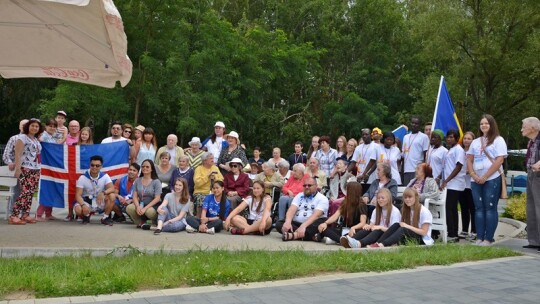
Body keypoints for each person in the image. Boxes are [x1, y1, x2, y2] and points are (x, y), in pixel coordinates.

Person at [466, 114, 507, 246]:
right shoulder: (475, 142)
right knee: (478, 208)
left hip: (492, 179)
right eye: (481, 123)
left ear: (492, 125)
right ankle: (479, 237)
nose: (483, 125)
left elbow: (500, 160)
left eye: (486, 123)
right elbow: (469, 159)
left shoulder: (498, 140)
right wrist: (473, 174)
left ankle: (488, 238)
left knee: (490, 208)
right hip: (476, 180)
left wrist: (485, 176)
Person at [368, 188, 433, 248]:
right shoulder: (406, 210)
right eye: (405, 197)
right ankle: (378, 243)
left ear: (416, 198)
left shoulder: (424, 211)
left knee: (403, 229)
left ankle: (382, 244)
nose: (407, 199)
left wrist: (407, 226)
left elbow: (424, 232)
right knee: (396, 225)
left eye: (410, 197)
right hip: (410, 236)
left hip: (423, 240)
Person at [9, 118, 43, 225]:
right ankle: (14, 215)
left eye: (37, 126)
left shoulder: (36, 140)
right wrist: (18, 169)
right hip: (25, 168)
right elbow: (17, 154)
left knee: (30, 193)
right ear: (28, 126)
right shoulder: (22, 138)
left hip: (35, 168)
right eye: (32, 125)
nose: (34, 128)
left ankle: (25, 214)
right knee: (24, 192)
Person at [276, 177, 329, 241]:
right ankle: (310, 236)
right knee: (279, 224)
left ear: (316, 186)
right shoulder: (299, 195)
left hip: (311, 225)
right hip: (297, 224)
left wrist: (303, 226)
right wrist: (288, 222)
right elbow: (291, 209)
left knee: (319, 223)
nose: (306, 187)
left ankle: (293, 235)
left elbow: (316, 216)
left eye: (309, 185)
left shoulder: (322, 199)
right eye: (305, 185)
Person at [73, 155, 117, 225]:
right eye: (92, 165)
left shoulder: (105, 176)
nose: (94, 167)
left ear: (101, 166)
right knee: (78, 210)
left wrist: (103, 193)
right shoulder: (82, 177)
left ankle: (105, 218)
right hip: (87, 201)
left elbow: (112, 188)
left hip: (99, 201)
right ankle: (86, 216)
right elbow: (78, 195)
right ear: (89, 165)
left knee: (112, 196)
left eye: (97, 166)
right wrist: (83, 205)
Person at [440, 129, 466, 242]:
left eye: (451, 137)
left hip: (454, 184)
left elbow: (458, 166)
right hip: (450, 184)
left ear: (456, 138)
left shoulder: (458, 150)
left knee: (449, 208)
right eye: (448, 137)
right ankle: (453, 232)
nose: (449, 139)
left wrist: (447, 180)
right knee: (452, 209)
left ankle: (452, 233)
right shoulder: (450, 150)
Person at [521, 117, 540, 251]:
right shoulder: (531, 142)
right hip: (531, 174)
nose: (521, 129)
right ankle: (534, 240)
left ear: (532, 128)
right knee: (531, 207)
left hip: (538, 175)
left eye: (523, 126)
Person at [2, 119, 28, 217]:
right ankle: (12, 213)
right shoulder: (14, 138)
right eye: (23, 125)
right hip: (17, 170)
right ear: (19, 127)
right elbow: (6, 155)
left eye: (27, 125)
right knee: (17, 191)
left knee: (27, 192)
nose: (25, 126)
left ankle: (25, 213)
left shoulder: (34, 140)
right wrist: (10, 163)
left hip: (30, 171)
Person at [126, 159, 162, 228]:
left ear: (152, 169)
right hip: (141, 204)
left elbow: (157, 198)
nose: (145, 168)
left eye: (147, 167)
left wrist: (145, 208)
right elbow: (135, 196)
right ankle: (141, 222)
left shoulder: (156, 181)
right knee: (129, 208)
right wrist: (137, 206)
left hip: (153, 206)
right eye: (143, 166)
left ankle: (154, 222)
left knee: (149, 212)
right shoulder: (137, 180)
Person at [36, 118, 59, 221]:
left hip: (51, 166)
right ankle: (39, 214)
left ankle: (48, 213)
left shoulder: (53, 137)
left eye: (54, 126)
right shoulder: (43, 136)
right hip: (45, 166)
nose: (52, 128)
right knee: (46, 189)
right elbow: (39, 144)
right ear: (46, 126)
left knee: (51, 189)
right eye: (50, 126)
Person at [193, 152, 224, 217]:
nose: (213, 160)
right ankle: (199, 218)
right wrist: (207, 177)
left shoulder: (215, 168)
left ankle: (218, 218)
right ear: (205, 161)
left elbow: (221, 180)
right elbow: (197, 183)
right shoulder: (198, 169)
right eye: (210, 158)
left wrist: (216, 178)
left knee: (223, 199)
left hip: (215, 192)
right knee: (202, 199)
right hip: (201, 192)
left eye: (213, 158)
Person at [402, 115, 430, 186]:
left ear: (420, 125)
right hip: (406, 170)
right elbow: (404, 155)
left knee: (416, 191)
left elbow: (425, 155)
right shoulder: (405, 137)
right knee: (407, 190)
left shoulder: (424, 137)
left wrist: (424, 170)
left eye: (416, 123)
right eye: (413, 123)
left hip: (417, 169)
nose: (414, 125)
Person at [458, 131, 476, 240]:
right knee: (464, 208)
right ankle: (464, 230)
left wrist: (470, 171)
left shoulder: (475, 152)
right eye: (465, 138)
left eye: (469, 139)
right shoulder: (460, 151)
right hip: (461, 184)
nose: (466, 140)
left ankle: (474, 230)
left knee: (472, 208)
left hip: (471, 183)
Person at [349, 128, 377, 193]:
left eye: (366, 134)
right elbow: (353, 162)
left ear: (371, 135)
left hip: (371, 178)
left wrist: (366, 174)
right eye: (363, 134)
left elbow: (375, 163)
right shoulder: (358, 147)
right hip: (359, 178)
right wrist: (345, 172)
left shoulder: (376, 146)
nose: (364, 136)